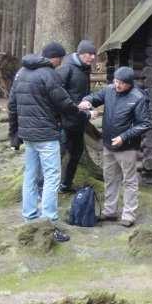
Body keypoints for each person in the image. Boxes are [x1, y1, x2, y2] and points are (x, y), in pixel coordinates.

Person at [8, 42, 90, 243]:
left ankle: (29, 218)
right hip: (46, 135)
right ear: (53, 57)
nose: (60, 63)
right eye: (59, 59)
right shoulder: (48, 73)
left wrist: (14, 135)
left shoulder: (21, 73)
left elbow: (12, 105)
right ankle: (50, 223)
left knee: (30, 176)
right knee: (52, 177)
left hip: (28, 135)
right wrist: (82, 112)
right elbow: (63, 102)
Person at [79, 66, 151, 227]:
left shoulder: (138, 97)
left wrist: (124, 137)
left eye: (122, 83)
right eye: (116, 81)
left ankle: (129, 214)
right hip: (108, 144)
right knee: (110, 178)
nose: (117, 85)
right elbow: (96, 97)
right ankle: (109, 211)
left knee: (129, 181)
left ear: (129, 83)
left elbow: (144, 124)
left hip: (127, 147)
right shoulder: (110, 90)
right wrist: (87, 101)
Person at [56, 40, 96, 193]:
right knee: (58, 156)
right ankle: (45, 188)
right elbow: (58, 94)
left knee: (77, 153)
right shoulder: (66, 68)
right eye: (89, 54)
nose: (92, 57)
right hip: (64, 122)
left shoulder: (85, 69)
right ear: (80, 54)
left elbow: (81, 92)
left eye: (94, 54)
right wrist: (76, 105)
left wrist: (89, 102)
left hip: (78, 122)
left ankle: (66, 185)